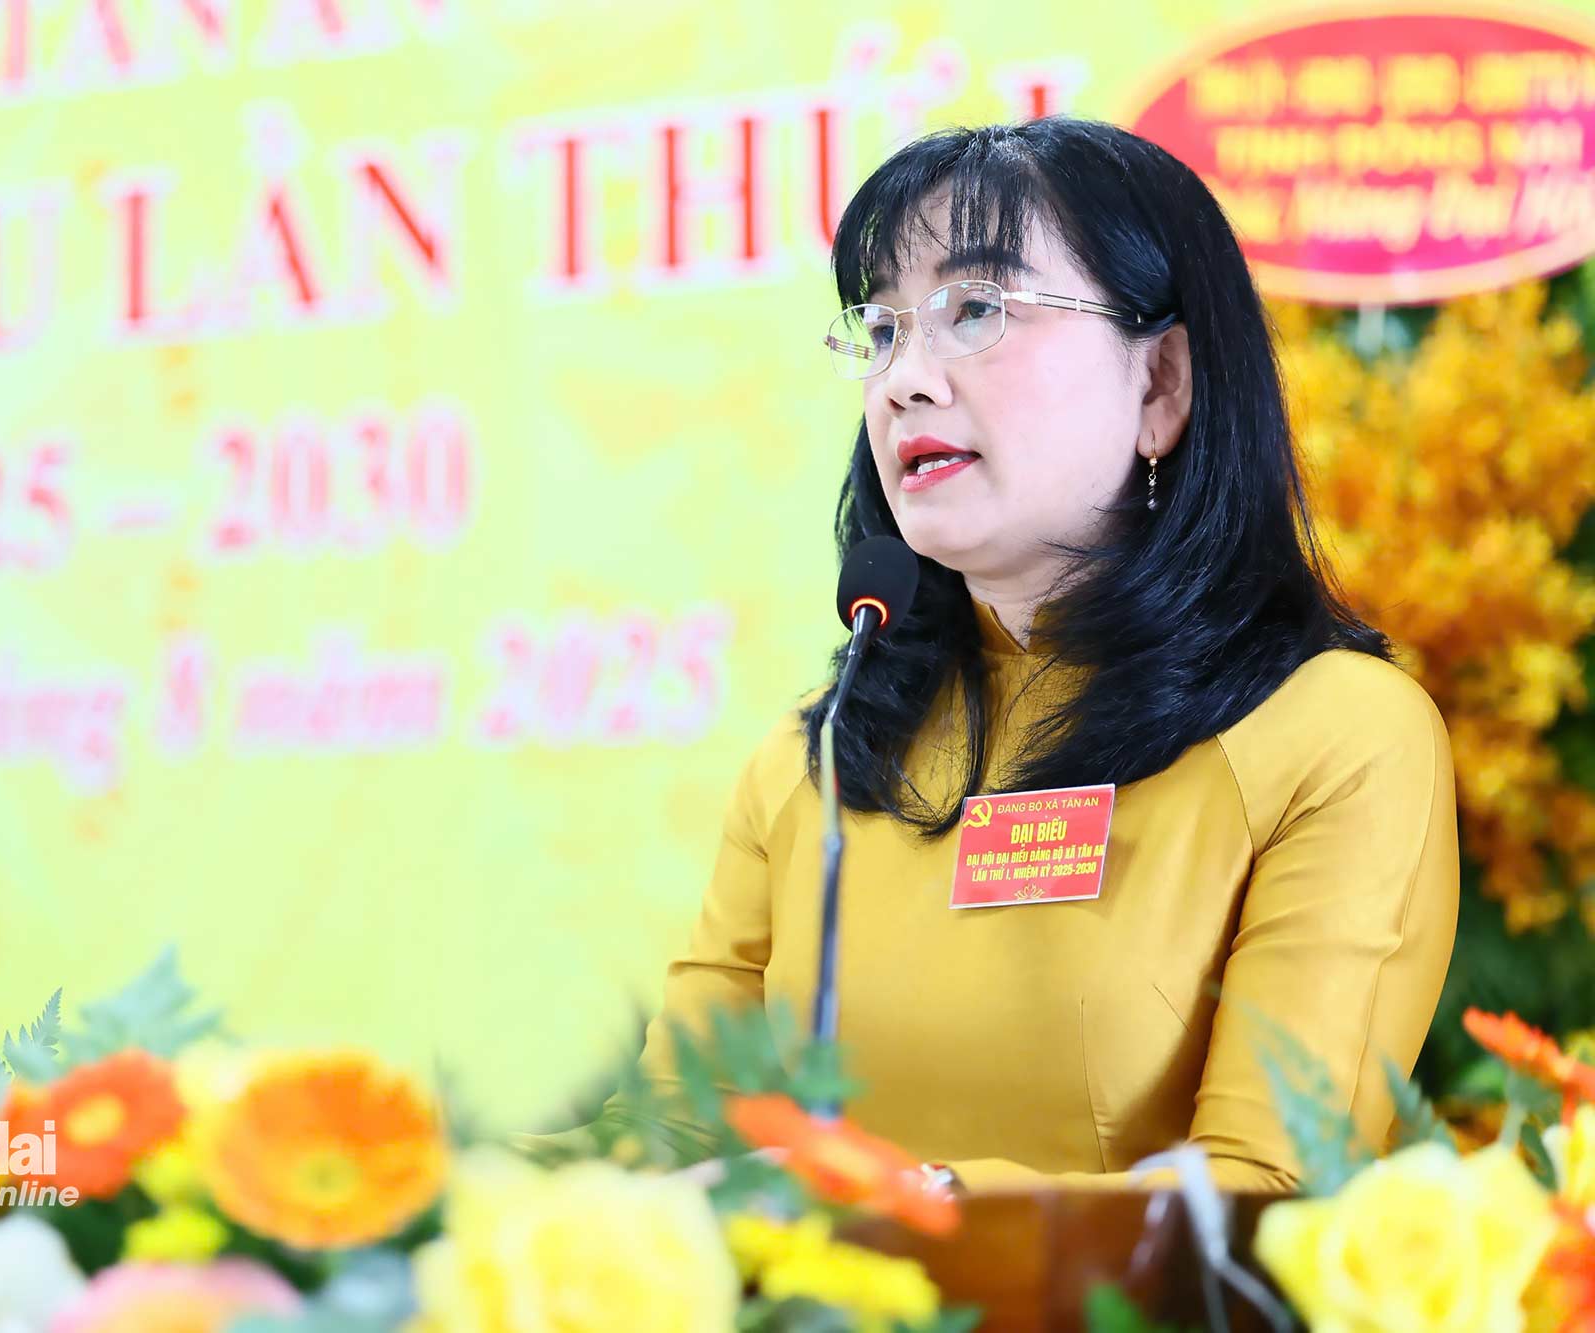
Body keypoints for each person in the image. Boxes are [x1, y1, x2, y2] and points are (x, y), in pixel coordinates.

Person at [561, 119, 1458, 1194]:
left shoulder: (1335, 736)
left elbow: (1263, 1203)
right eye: (880, 328)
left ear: (1161, 383)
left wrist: (909, 1203)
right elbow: (653, 1153)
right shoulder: (824, 758)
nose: (903, 379)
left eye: (974, 309)